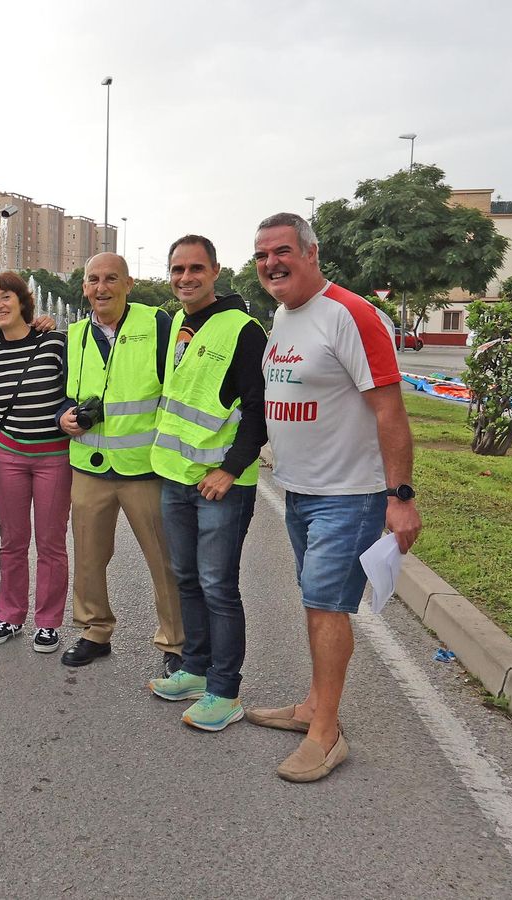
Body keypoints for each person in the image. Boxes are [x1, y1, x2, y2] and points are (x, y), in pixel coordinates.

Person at [245, 212, 420, 782]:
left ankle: (328, 735)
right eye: (262, 254)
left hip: (350, 493)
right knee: (316, 601)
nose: (272, 262)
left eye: (283, 251)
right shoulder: (284, 313)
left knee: (326, 605)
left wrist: (401, 496)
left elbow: (390, 410)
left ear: (312, 253)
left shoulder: (351, 313)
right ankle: (314, 707)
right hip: (299, 488)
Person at [145, 235, 268, 731]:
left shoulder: (243, 329)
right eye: (177, 269)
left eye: (196, 268)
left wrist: (230, 469)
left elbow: (259, 410)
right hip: (176, 478)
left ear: (216, 271)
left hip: (221, 484)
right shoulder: (177, 321)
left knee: (219, 586)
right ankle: (195, 669)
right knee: (188, 579)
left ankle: (224, 689)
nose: (185, 278)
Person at [58, 252, 184, 672]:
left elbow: (180, 386)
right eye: (93, 279)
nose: (101, 287)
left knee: (164, 559)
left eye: (111, 278)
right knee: (89, 556)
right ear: (84, 288)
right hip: (90, 467)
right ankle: (95, 631)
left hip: (144, 468)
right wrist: (64, 416)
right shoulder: (72, 334)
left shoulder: (158, 325)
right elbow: (62, 394)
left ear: (129, 284)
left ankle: (176, 643)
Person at [0, 273, 70, 653]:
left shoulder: (56, 343)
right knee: (12, 542)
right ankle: (9, 614)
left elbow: (75, 390)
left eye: (6, 297)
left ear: (23, 301)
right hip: (8, 457)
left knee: (51, 543)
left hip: (55, 459)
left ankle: (48, 622)